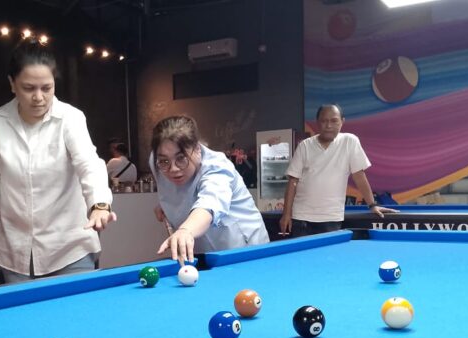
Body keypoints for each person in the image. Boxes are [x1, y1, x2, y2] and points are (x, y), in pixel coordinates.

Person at [0, 38, 115, 283]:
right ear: (12, 84)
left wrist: (99, 204)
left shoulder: (70, 118)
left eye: (47, 88)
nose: (39, 97)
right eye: (29, 88)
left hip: (69, 248)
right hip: (15, 251)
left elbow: (89, 165)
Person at [150, 115, 269, 264]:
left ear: (197, 149)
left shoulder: (217, 168)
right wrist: (167, 204)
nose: (173, 168)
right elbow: (174, 190)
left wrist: (185, 230)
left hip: (245, 251)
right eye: (164, 161)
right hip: (203, 250)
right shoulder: (156, 161)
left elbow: (209, 205)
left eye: (181, 158)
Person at [279, 104, 396, 237]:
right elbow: (293, 181)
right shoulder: (304, 145)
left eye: (334, 121)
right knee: (301, 251)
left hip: (331, 217)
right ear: (317, 123)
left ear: (342, 122)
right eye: (324, 121)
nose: (328, 125)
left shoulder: (350, 141)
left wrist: (372, 205)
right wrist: (286, 214)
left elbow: (359, 176)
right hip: (301, 217)